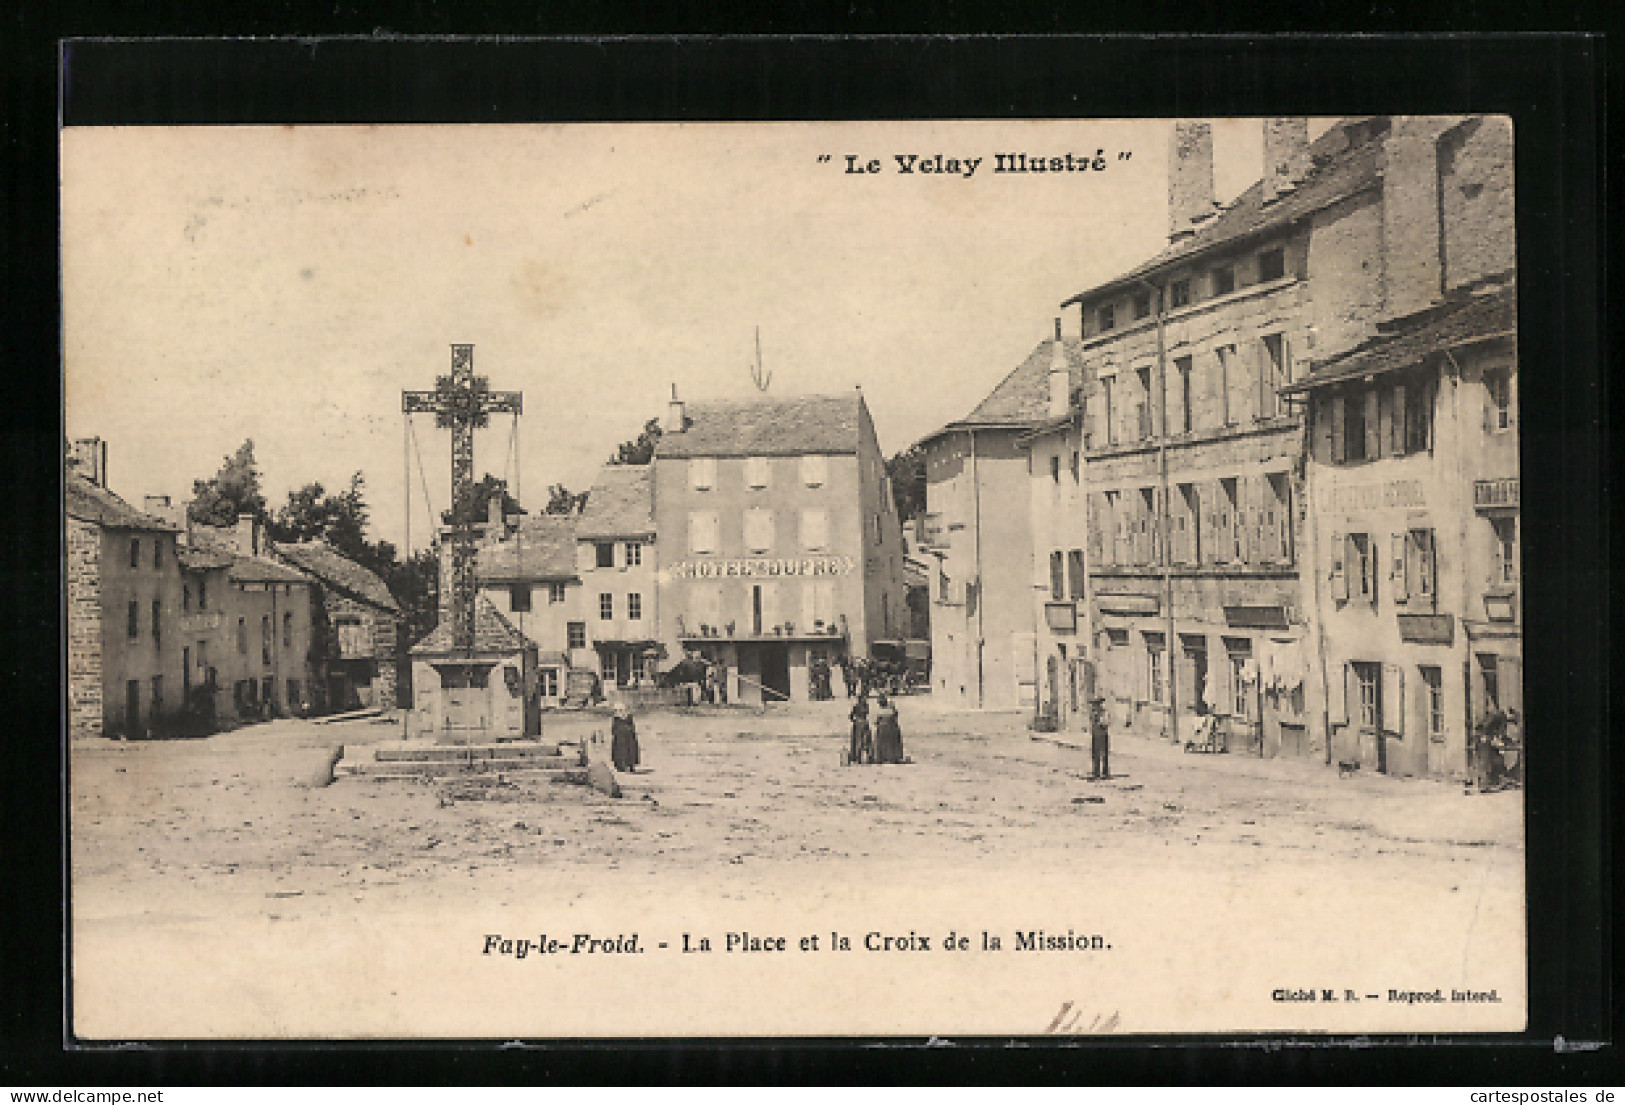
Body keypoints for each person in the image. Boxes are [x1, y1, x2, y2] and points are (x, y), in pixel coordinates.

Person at [873, 692, 904, 764]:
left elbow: (876, 722)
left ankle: (881, 757)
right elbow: (896, 716)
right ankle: (894, 756)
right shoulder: (891, 710)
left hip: (882, 729)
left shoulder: (879, 711)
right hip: (892, 728)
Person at [610, 703, 640, 773]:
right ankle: (621, 766)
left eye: (621, 710)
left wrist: (631, 731)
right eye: (618, 710)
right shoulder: (616, 718)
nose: (620, 711)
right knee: (620, 752)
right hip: (619, 738)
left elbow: (632, 726)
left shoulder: (629, 717)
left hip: (628, 737)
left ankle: (630, 766)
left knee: (630, 751)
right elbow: (614, 728)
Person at [1088, 695, 1110, 780]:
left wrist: (1101, 722)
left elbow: (1105, 722)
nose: (1095, 706)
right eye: (1094, 704)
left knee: (1104, 754)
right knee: (1095, 754)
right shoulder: (1093, 713)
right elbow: (1092, 722)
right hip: (1095, 734)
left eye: (1097, 704)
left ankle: (1105, 772)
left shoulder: (1104, 713)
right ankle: (1096, 772)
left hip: (1103, 734)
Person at [848, 692, 872, 765]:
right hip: (863, 723)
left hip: (858, 724)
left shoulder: (857, 706)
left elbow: (851, 716)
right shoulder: (865, 706)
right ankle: (867, 756)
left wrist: (855, 720)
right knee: (865, 740)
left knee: (858, 741)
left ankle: (856, 757)